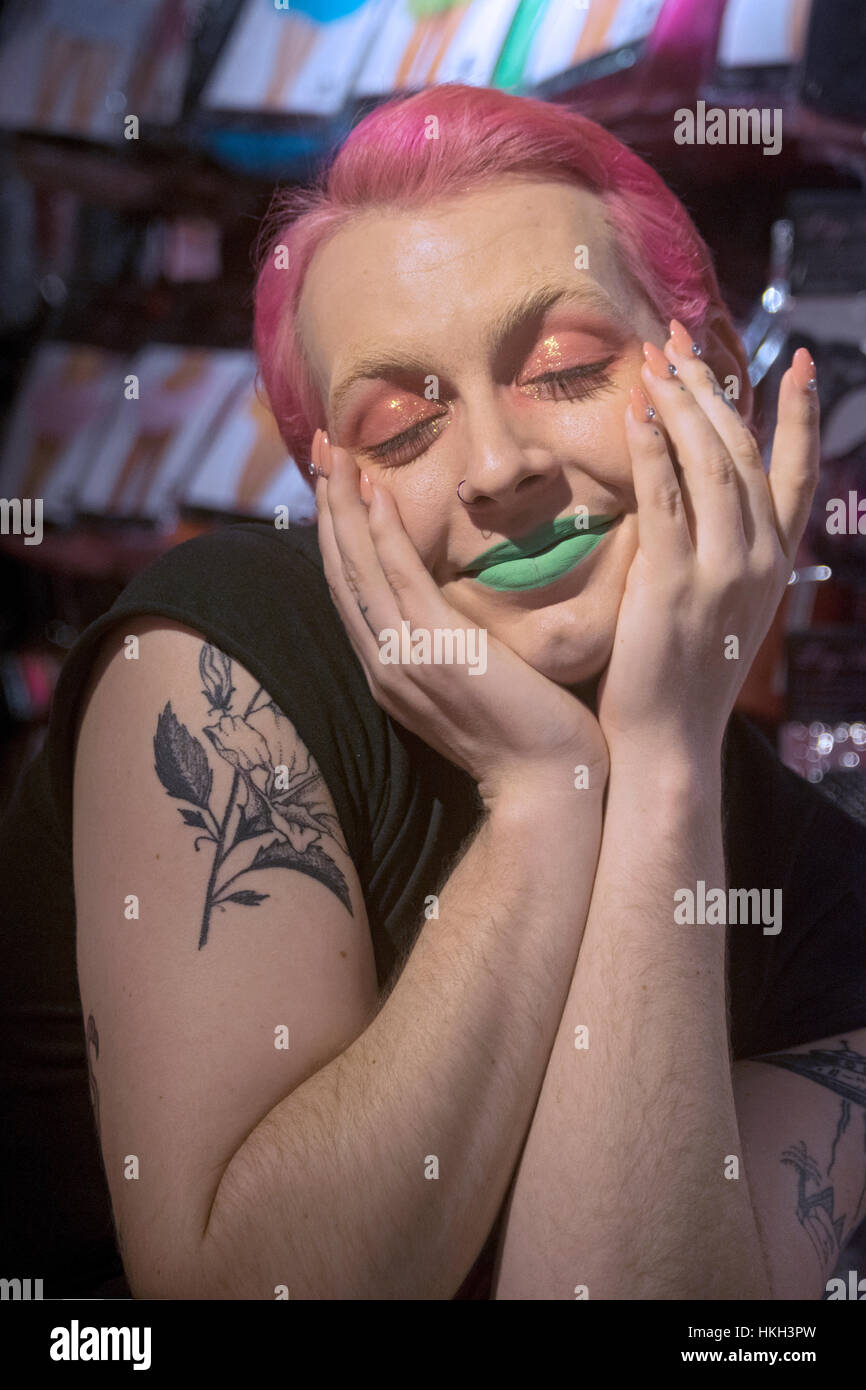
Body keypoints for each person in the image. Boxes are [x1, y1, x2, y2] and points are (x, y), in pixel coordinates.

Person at [1, 82, 865, 1301]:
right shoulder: (215, 669)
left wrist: (659, 759)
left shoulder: (828, 899)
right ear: (329, 490)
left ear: (713, 375)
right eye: (402, 428)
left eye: (562, 369)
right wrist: (540, 800)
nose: (497, 470)